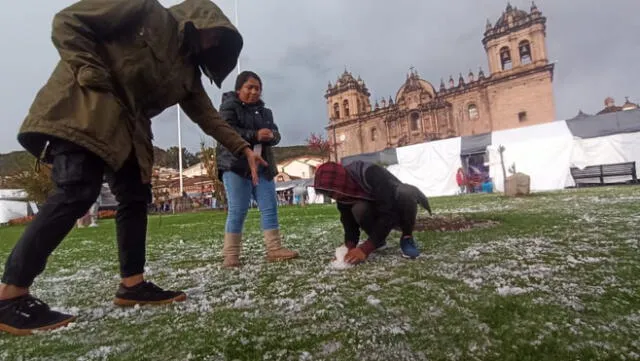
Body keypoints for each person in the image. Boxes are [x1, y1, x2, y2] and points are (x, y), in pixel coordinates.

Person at [0, 0, 267, 336]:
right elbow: (67, 21)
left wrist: (243, 148)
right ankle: (11, 295)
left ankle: (132, 284)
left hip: (129, 130)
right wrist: (87, 69)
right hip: (86, 108)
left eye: (220, 43)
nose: (215, 44)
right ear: (200, 18)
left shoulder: (188, 73)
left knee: (135, 196)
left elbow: (209, 117)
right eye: (216, 35)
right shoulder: (145, 11)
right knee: (78, 190)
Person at [216, 71, 299, 268]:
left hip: (263, 166)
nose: (254, 92)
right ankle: (231, 254)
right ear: (239, 89)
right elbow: (226, 132)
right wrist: (255, 135)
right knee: (238, 209)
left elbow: (276, 134)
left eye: (258, 88)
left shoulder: (265, 112)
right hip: (235, 165)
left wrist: (273, 136)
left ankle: (274, 249)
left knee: (269, 207)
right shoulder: (228, 108)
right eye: (249, 87)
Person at [313, 161, 432, 265]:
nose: (334, 197)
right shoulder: (343, 192)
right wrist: (348, 248)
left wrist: (366, 248)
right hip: (378, 211)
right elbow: (348, 221)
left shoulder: (370, 173)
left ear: (339, 183)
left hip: (396, 209)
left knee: (406, 192)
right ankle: (379, 241)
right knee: (358, 208)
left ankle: (407, 237)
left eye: (332, 193)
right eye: (329, 195)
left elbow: (388, 211)